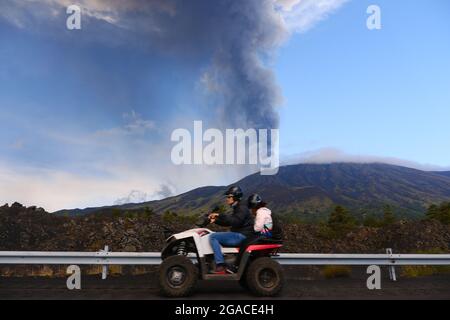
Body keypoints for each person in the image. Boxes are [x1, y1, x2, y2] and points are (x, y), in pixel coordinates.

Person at [208, 186, 253, 274]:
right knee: (216, 235)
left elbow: (234, 221)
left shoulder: (242, 208)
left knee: (213, 237)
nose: (227, 199)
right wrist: (215, 221)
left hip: (242, 235)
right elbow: (230, 222)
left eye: (229, 197)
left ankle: (220, 265)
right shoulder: (238, 207)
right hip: (240, 234)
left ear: (235, 197)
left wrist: (219, 215)